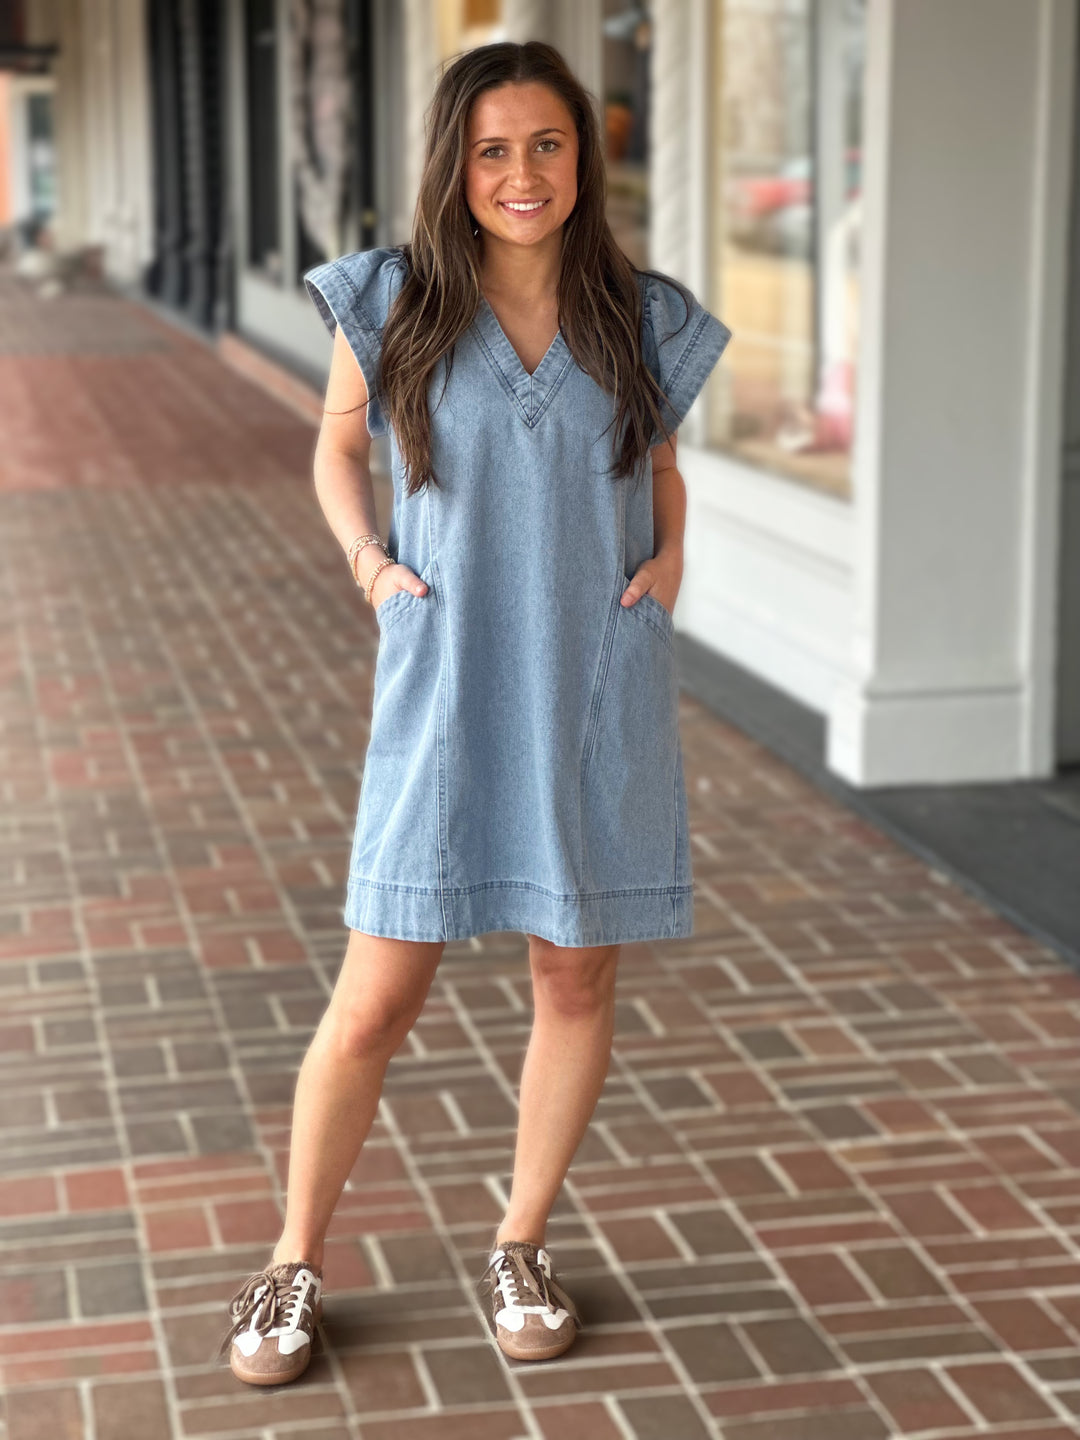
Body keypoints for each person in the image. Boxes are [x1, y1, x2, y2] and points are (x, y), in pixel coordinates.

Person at [215, 39, 730, 1386]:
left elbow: (662, 468)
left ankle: (520, 1238)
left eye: (547, 145)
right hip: (444, 680)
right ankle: (290, 1257)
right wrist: (371, 566)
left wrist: (669, 562)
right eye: (494, 149)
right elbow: (337, 445)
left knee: (575, 970)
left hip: (593, 677)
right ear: (456, 161)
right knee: (377, 997)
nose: (521, 173)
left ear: (583, 158)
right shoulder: (388, 300)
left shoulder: (642, 313)